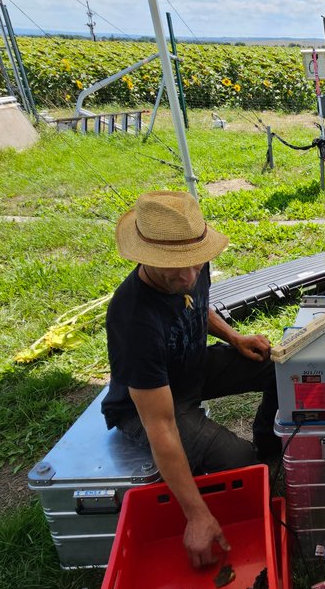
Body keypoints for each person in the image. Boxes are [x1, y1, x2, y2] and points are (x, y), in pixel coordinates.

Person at [102, 190, 280, 567]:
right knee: (239, 460)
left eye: (196, 264)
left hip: (191, 367)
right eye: (174, 268)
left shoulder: (192, 264)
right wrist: (196, 514)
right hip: (147, 408)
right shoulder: (131, 318)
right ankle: (251, 467)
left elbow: (198, 306)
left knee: (283, 367)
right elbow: (161, 425)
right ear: (146, 258)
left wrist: (234, 336)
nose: (188, 275)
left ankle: (271, 447)